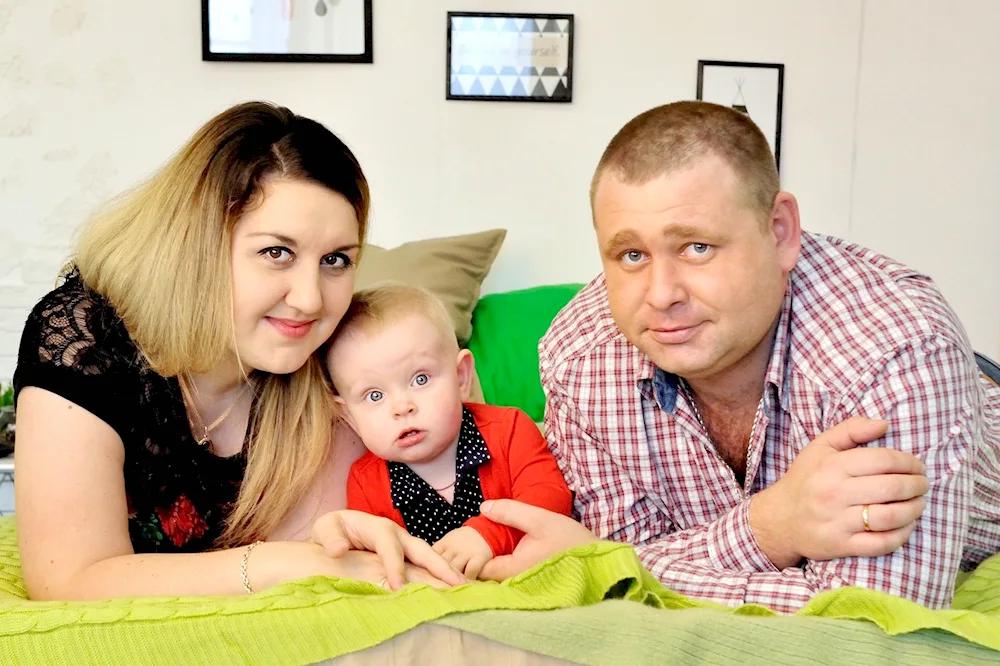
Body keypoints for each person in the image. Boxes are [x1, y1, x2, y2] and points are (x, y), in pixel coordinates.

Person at [475, 101, 1000, 614]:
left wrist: (614, 570)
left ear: (780, 232)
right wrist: (770, 527)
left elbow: (870, 619)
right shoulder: (579, 358)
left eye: (696, 247)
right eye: (631, 255)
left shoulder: (896, 350)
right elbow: (623, 577)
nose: (661, 295)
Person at [13, 101, 465, 601]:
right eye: (277, 253)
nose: (311, 299)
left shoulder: (338, 360)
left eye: (336, 260)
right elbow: (66, 581)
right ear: (199, 244)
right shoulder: (86, 338)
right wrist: (278, 564)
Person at [328, 283, 572, 580]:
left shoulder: (509, 430)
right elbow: (374, 559)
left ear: (461, 377)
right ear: (348, 415)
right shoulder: (365, 481)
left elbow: (550, 497)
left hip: (526, 578)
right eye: (374, 395)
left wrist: (488, 535)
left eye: (420, 379)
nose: (402, 407)